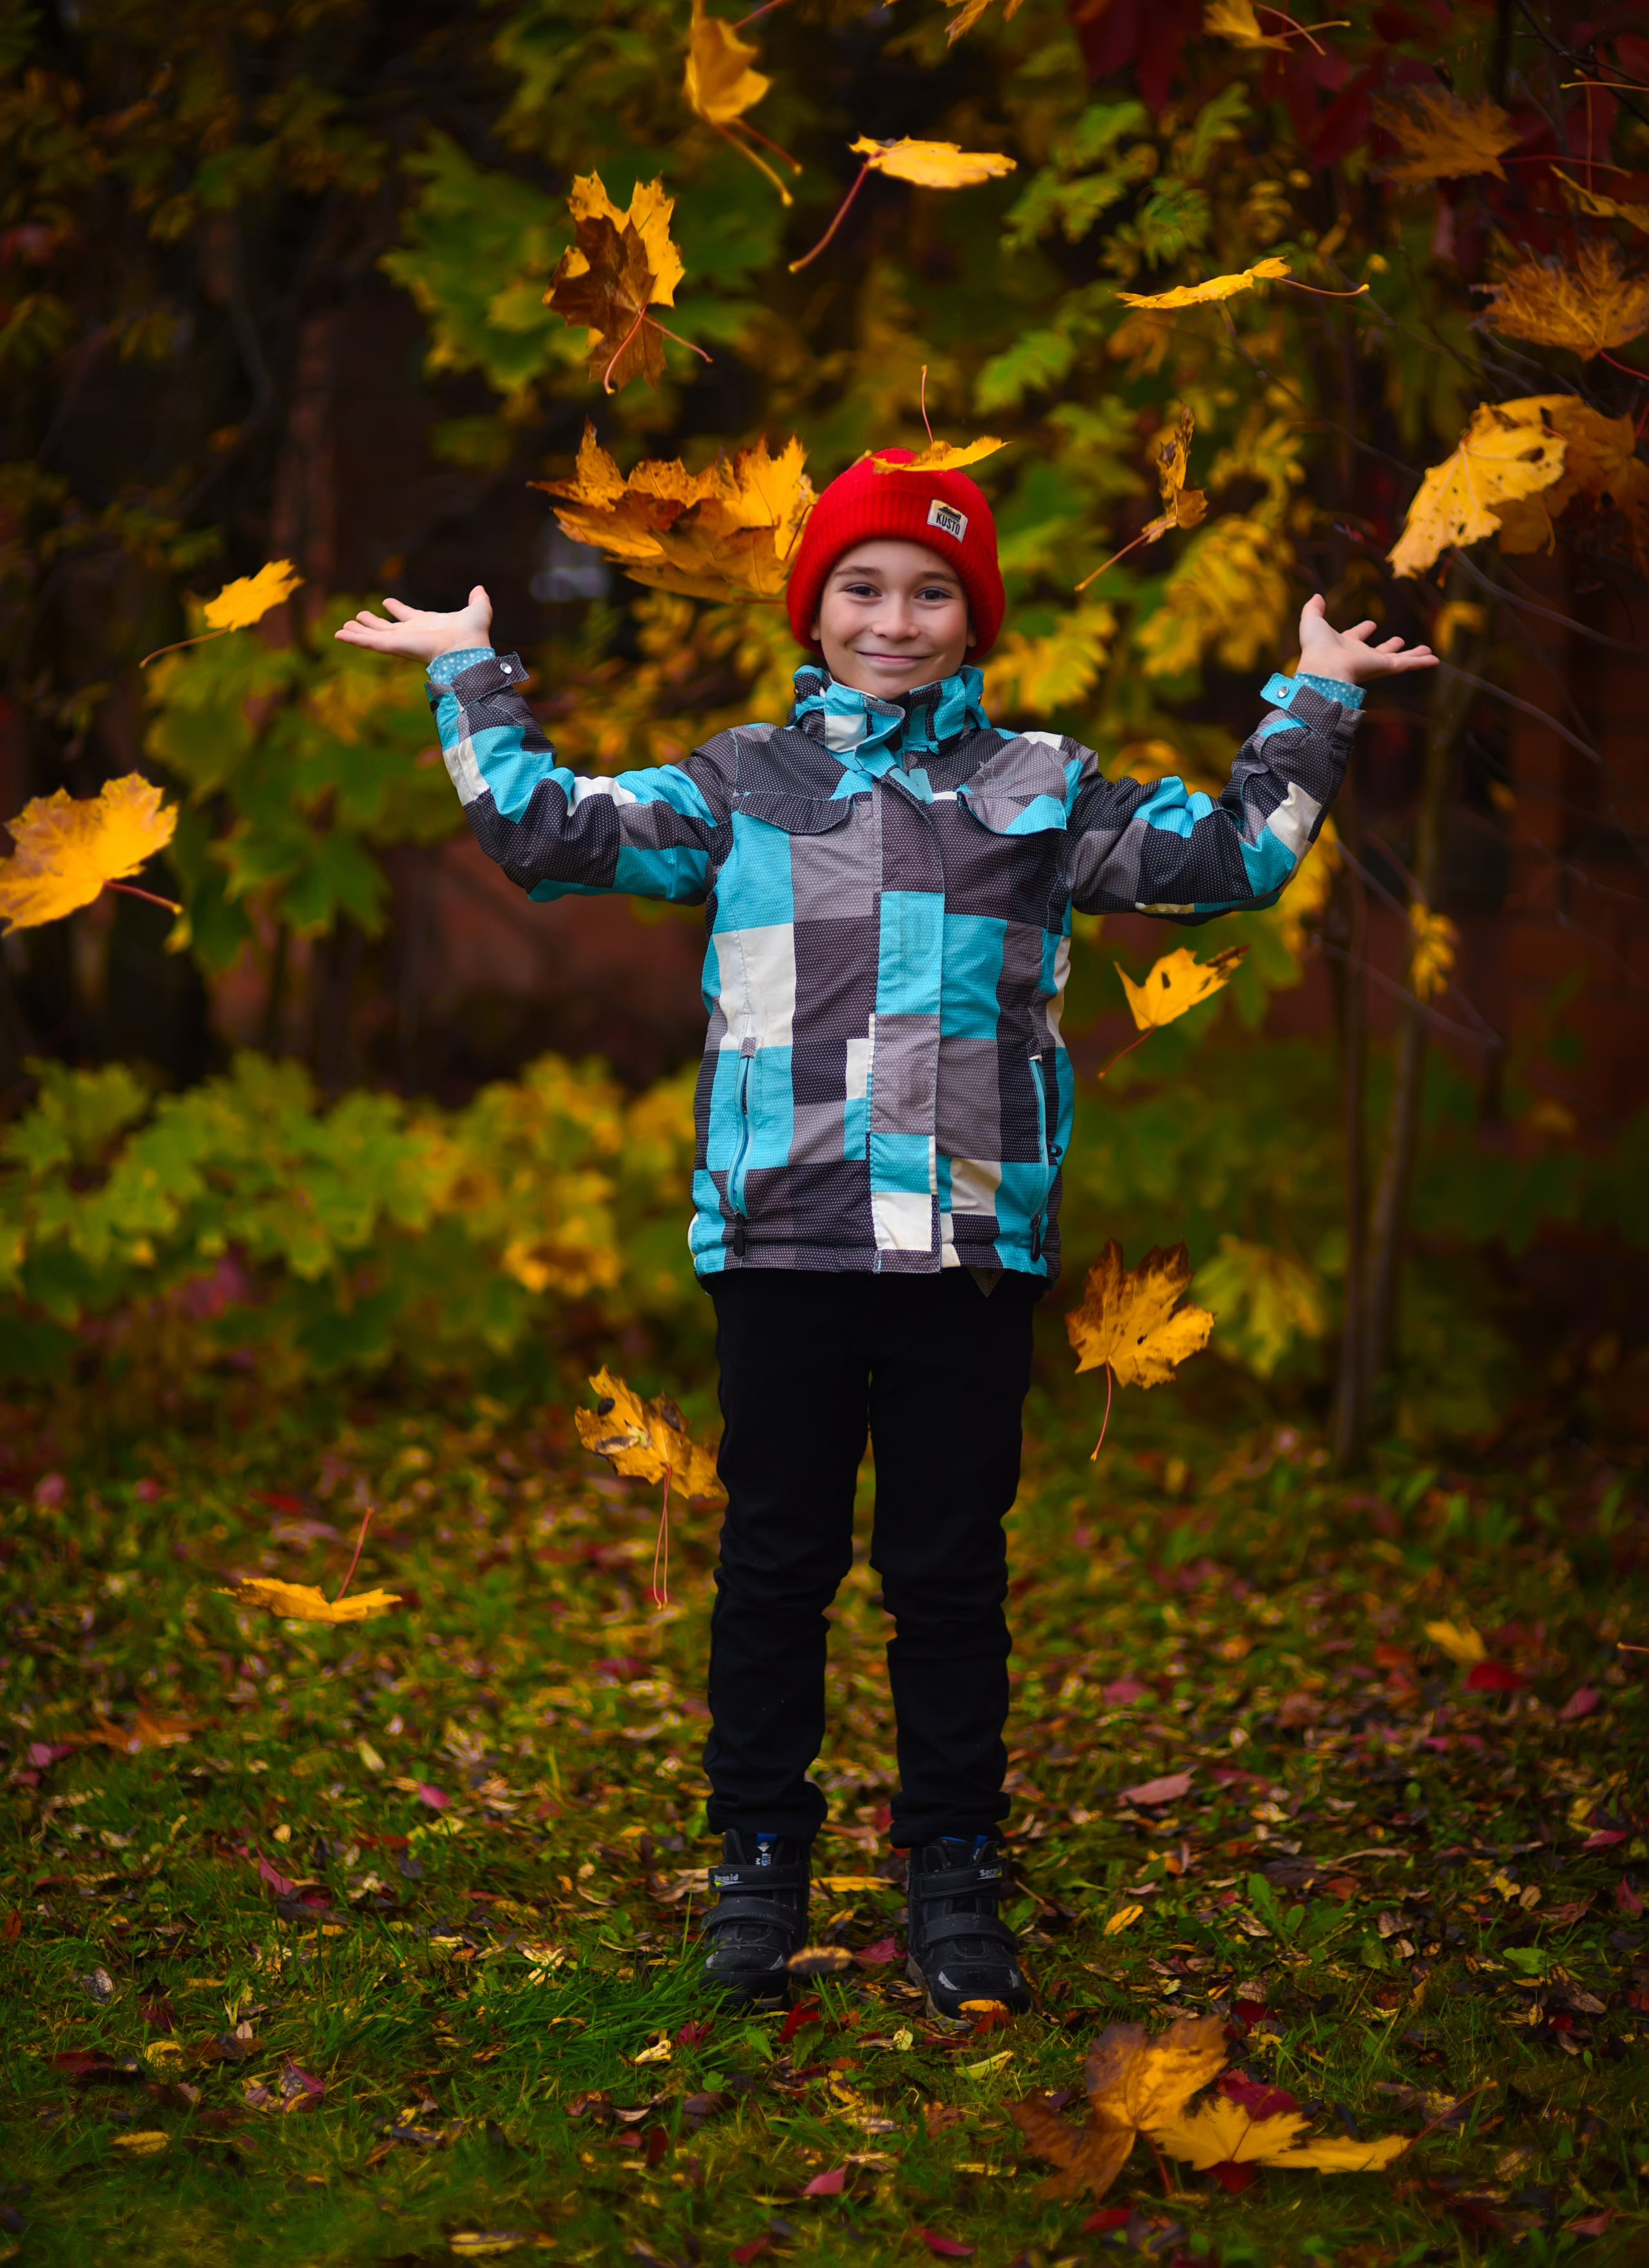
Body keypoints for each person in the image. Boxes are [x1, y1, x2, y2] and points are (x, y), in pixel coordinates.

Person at [337, 448, 1436, 2018]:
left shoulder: (1041, 790)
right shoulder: (737, 787)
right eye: (861, 587)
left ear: (969, 619)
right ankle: (758, 1865)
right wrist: (469, 672)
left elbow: (1234, 860)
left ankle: (951, 1870)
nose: (894, 618)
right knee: (773, 1567)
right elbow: (545, 833)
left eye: (929, 593)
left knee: (946, 1574)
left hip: (968, 1254)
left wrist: (1313, 694)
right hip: (780, 1241)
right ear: (816, 606)